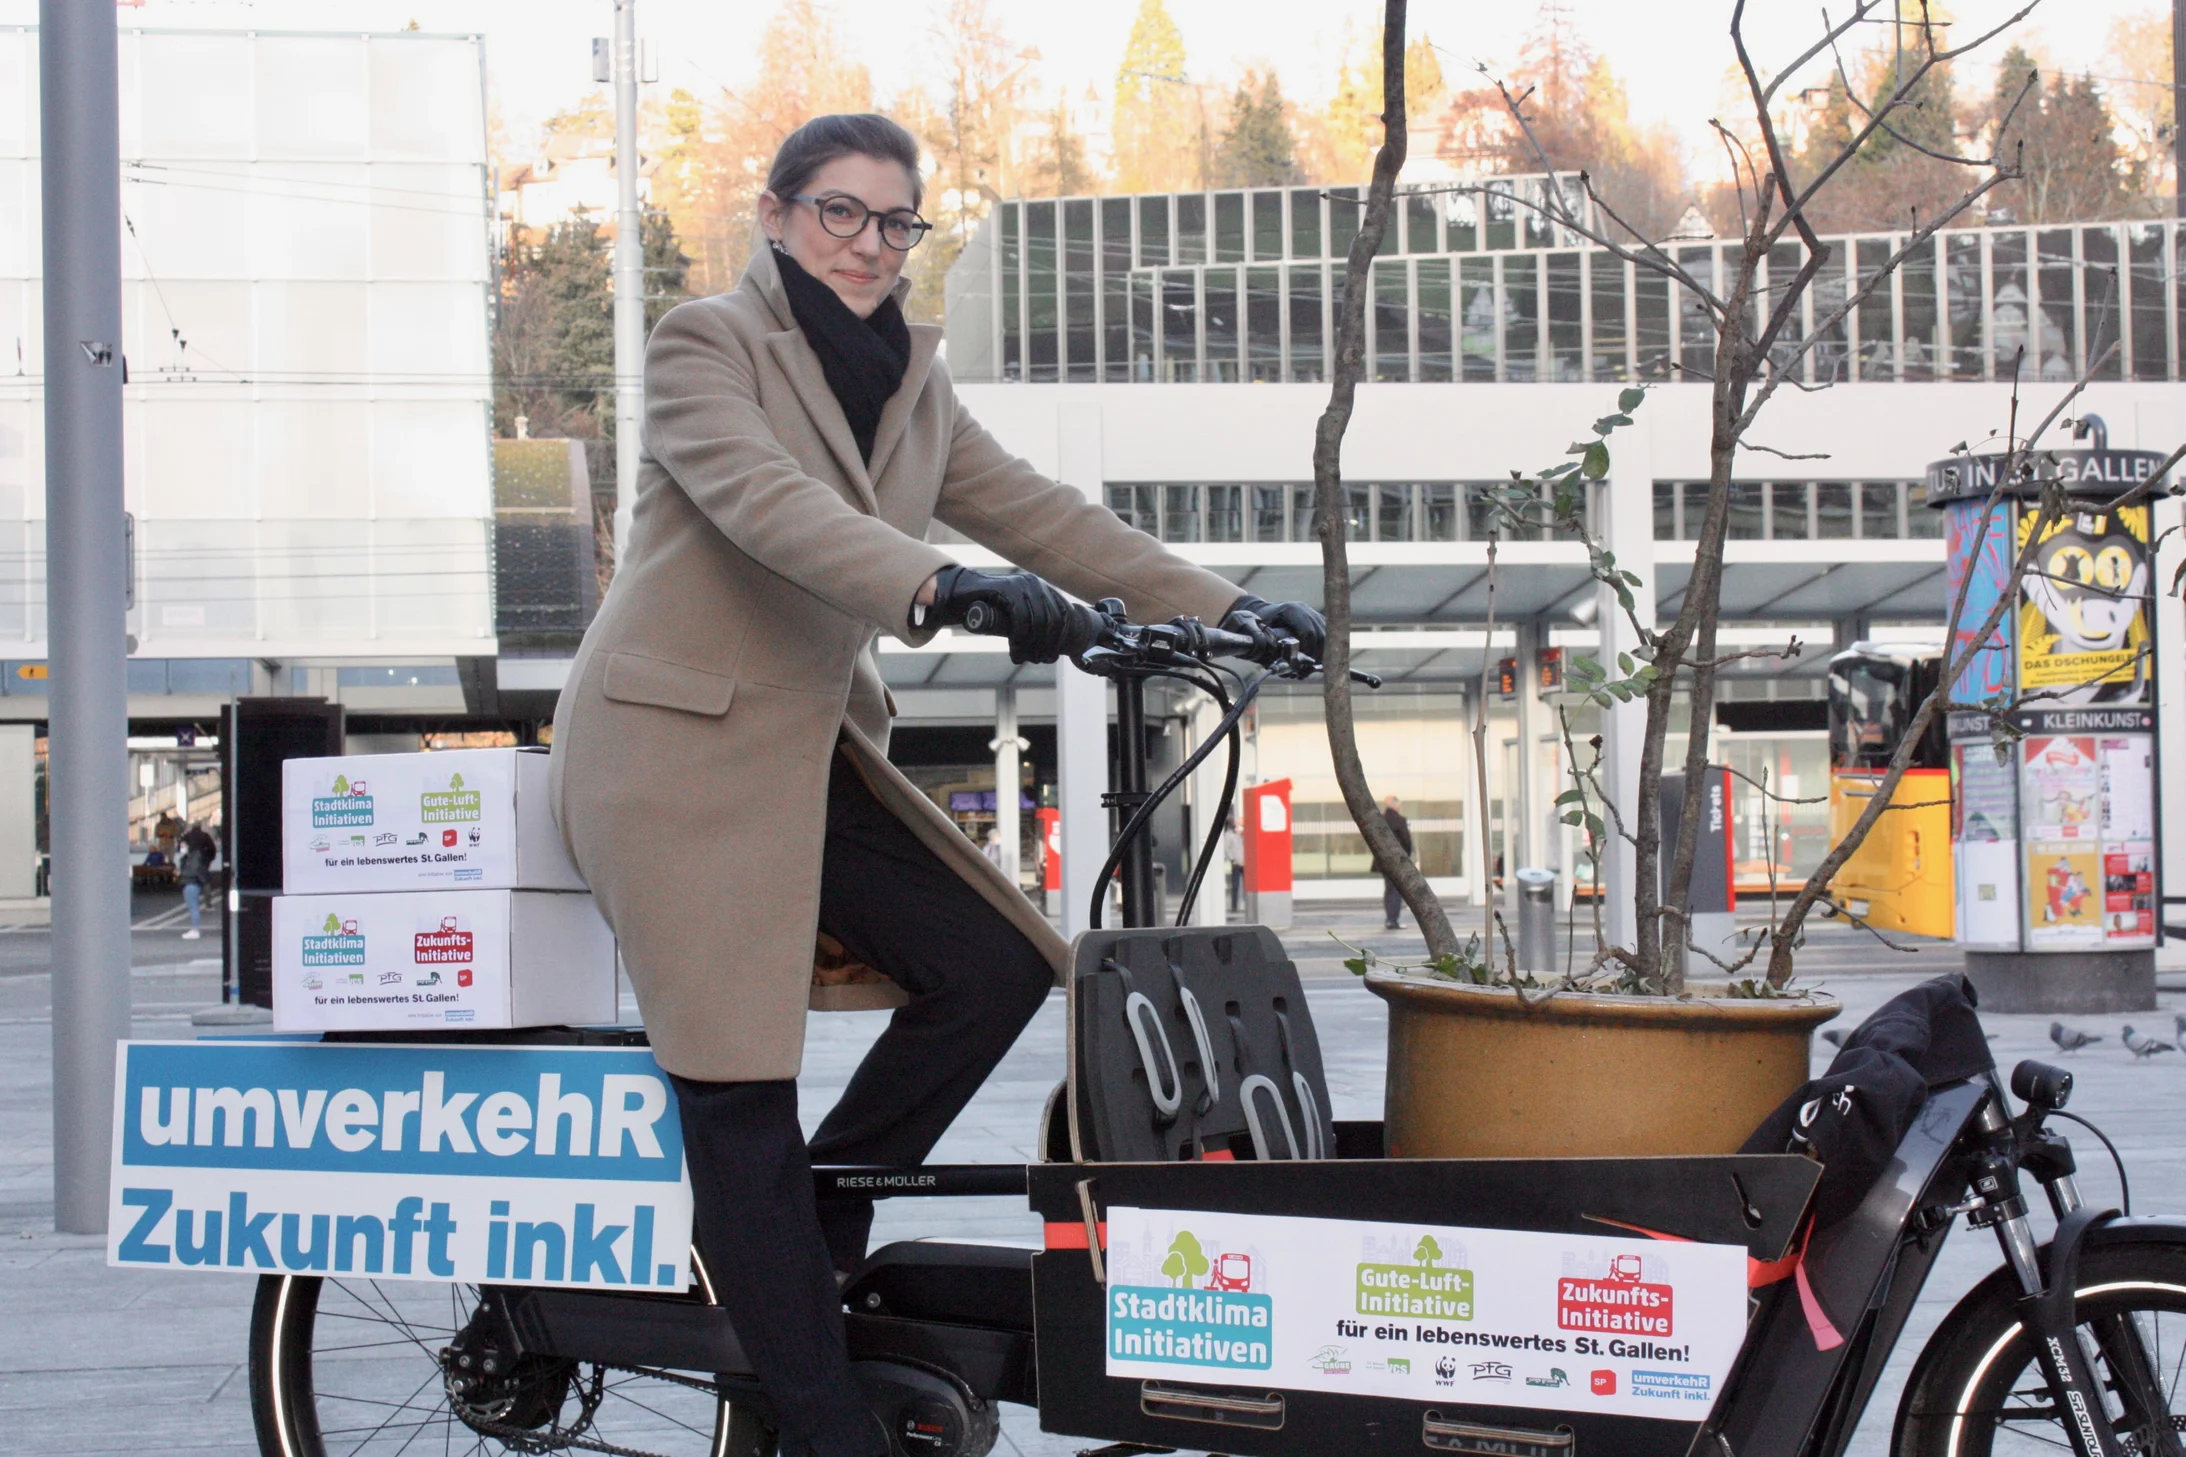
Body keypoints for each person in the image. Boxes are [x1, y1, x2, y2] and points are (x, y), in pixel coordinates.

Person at [549, 113, 1324, 1457]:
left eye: (893, 221)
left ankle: (802, 1230)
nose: (866, 244)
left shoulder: (914, 381)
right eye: (839, 214)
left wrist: (1227, 607)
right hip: (672, 749)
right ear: (779, 216)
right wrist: (934, 582)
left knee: (1002, 963)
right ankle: (816, 1416)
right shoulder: (705, 346)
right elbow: (763, 499)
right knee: (735, 1085)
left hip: (805, 751)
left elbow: (1043, 517)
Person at [177, 821, 216, 940]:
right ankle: (208, 903)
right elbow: (212, 850)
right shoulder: (205, 838)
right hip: (201, 872)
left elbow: (180, 849)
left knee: (192, 905)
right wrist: (208, 860)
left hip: (191, 878)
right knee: (204, 888)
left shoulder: (188, 844)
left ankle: (195, 930)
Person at [1380, 794, 1414, 930]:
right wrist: (1406, 856)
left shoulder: (1380, 821)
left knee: (1389, 890)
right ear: (1396, 805)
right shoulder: (1399, 821)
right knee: (1395, 891)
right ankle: (1393, 920)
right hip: (1397, 861)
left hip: (1383, 860)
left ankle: (1389, 918)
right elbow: (1407, 841)